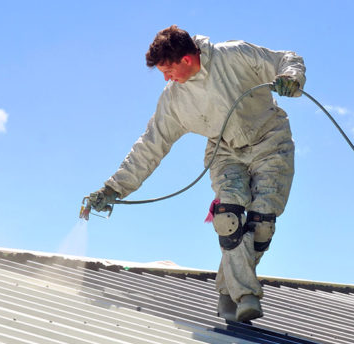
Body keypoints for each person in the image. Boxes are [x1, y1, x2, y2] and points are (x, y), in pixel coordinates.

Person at [88, 25, 306, 323]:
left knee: (262, 223)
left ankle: (227, 291)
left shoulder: (234, 55)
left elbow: (286, 58)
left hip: (271, 142)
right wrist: (114, 188)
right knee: (227, 218)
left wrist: (291, 77)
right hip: (224, 151)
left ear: (187, 60)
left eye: (168, 70)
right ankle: (246, 295)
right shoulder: (174, 100)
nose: (166, 78)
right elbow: (150, 145)